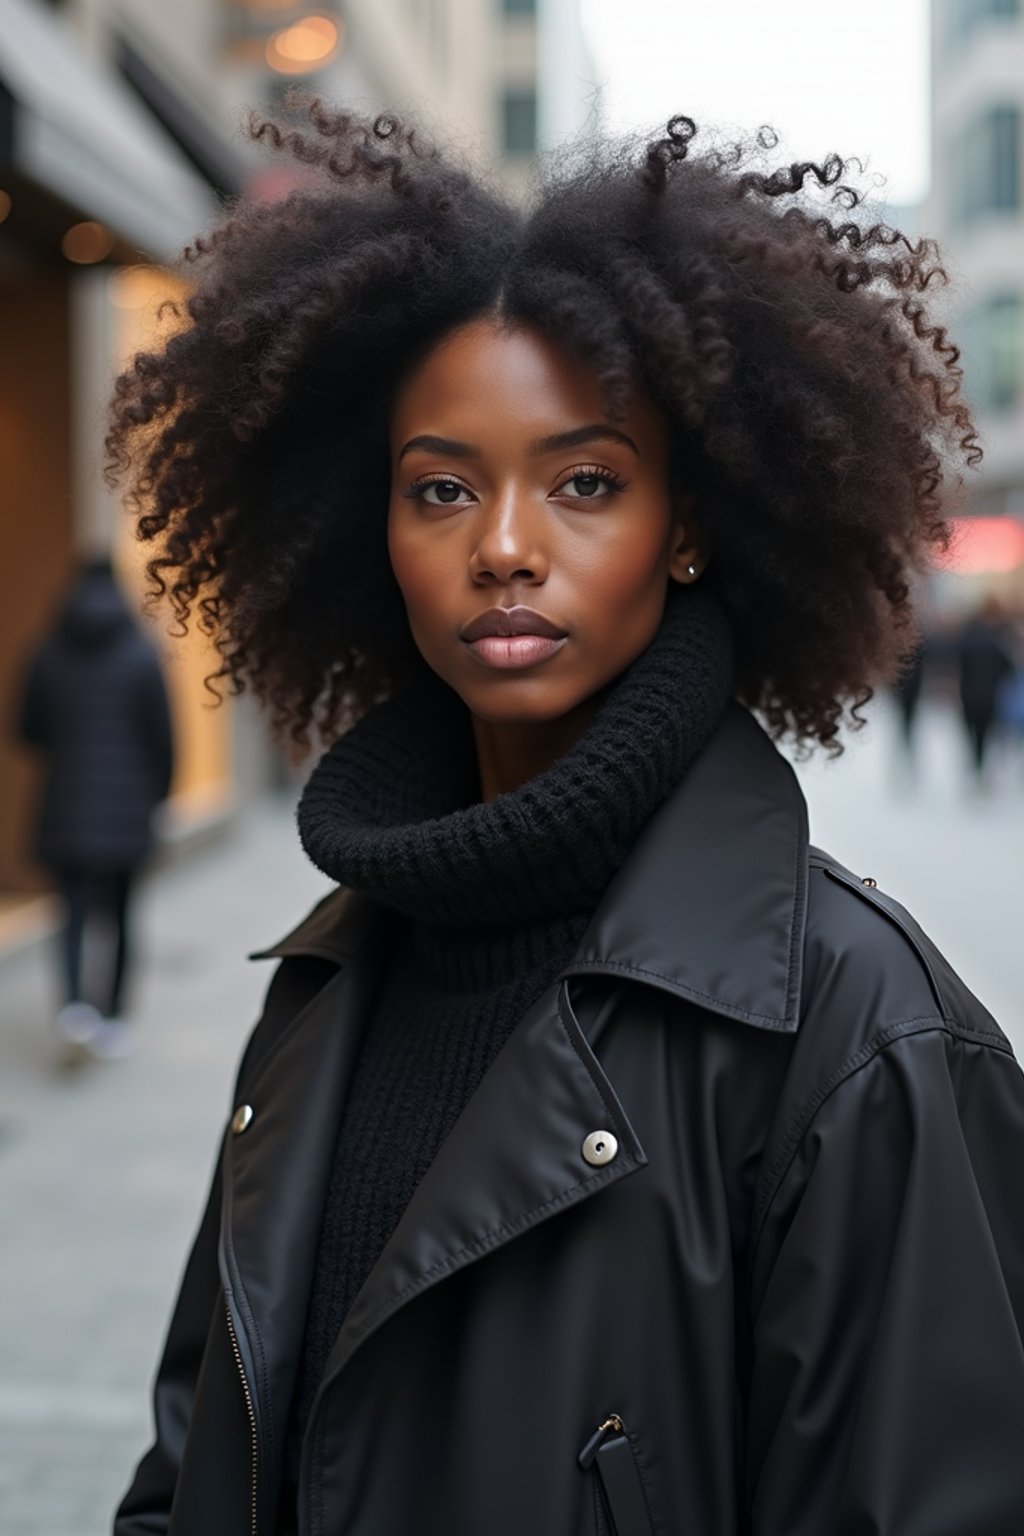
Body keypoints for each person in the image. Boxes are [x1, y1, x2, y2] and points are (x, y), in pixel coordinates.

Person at [108, 107, 1024, 1536]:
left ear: (690, 525)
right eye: (442, 489)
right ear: (380, 535)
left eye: (585, 481)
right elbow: (191, 1473)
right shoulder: (321, 984)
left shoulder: (857, 1033)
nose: (506, 545)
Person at [15, 556, 174, 1061]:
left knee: (73, 911)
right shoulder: (141, 653)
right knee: (123, 915)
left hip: (65, 802)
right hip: (128, 808)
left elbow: (25, 728)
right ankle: (113, 1018)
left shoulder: (44, 652)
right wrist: (158, 796)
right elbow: (163, 739)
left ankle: (76, 1009)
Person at [956, 595, 1016, 788]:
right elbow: (1009, 668)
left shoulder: (969, 634)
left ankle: (976, 767)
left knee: (973, 736)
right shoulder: (1001, 638)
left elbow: (959, 663)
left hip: (969, 695)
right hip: (989, 697)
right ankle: (979, 770)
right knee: (985, 735)